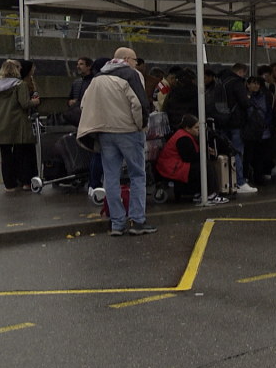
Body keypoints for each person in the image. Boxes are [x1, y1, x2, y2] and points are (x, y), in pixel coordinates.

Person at [77, 47, 155, 236]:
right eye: (135, 60)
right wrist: (141, 125)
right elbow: (139, 103)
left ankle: (117, 223)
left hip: (105, 132)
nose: (137, 64)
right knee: (137, 175)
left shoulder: (97, 78)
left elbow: (84, 104)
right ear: (127, 59)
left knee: (110, 177)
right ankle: (137, 221)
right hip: (128, 130)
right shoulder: (131, 75)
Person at [156, 114, 229, 204]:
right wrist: (205, 153)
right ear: (187, 128)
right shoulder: (183, 139)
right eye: (196, 128)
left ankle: (201, 193)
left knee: (203, 165)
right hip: (172, 168)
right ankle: (210, 195)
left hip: (172, 166)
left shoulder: (182, 135)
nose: (199, 130)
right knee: (206, 165)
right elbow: (190, 157)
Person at [0, 59, 40, 192]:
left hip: (0, 124)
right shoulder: (20, 85)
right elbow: (25, 104)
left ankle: (9, 185)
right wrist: (35, 102)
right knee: (22, 154)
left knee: (5, 155)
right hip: (17, 124)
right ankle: (25, 182)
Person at [217, 63, 257, 193]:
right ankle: (239, 182)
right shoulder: (237, 83)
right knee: (237, 152)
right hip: (235, 122)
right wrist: (248, 99)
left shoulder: (220, 81)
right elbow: (244, 103)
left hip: (222, 121)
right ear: (241, 72)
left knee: (224, 152)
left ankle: (225, 181)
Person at [242, 76, 274, 186]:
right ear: (248, 84)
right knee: (248, 155)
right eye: (254, 83)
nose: (256, 86)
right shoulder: (245, 96)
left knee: (260, 156)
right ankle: (245, 176)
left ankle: (258, 177)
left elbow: (269, 111)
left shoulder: (263, 96)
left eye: (258, 84)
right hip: (250, 130)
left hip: (262, 130)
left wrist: (266, 122)